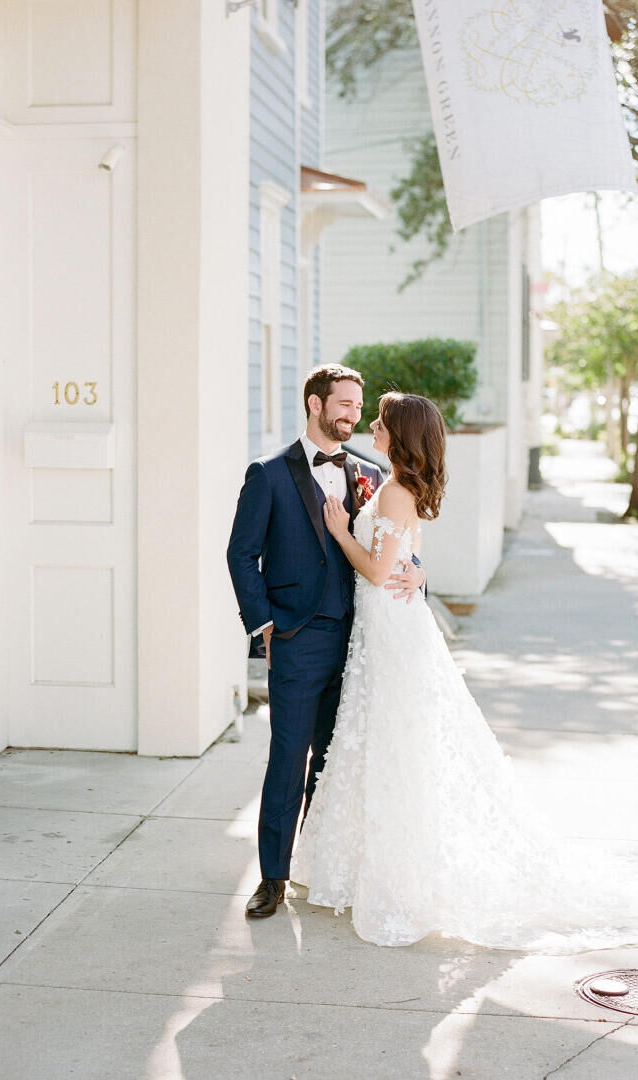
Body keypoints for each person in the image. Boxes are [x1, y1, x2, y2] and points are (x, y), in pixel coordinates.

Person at [291, 391, 638, 950]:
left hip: (392, 631)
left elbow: (379, 570)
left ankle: (398, 875)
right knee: (381, 744)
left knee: (396, 745)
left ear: (399, 437)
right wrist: (413, 568)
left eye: (380, 421)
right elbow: (405, 557)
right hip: (385, 629)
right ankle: (366, 866)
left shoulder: (398, 491)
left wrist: (340, 532)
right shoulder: (393, 485)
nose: (372, 426)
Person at [226, 365, 427, 920]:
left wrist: (419, 572)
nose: (352, 416)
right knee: (288, 759)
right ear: (314, 404)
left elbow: (397, 540)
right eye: (342, 404)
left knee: (336, 764)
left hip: (363, 641)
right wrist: (261, 622)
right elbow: (240, 554)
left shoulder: (370, 473)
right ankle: (272, 877)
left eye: (358, 407)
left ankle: (324, 867)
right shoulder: (267, 474)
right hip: (298, 636)